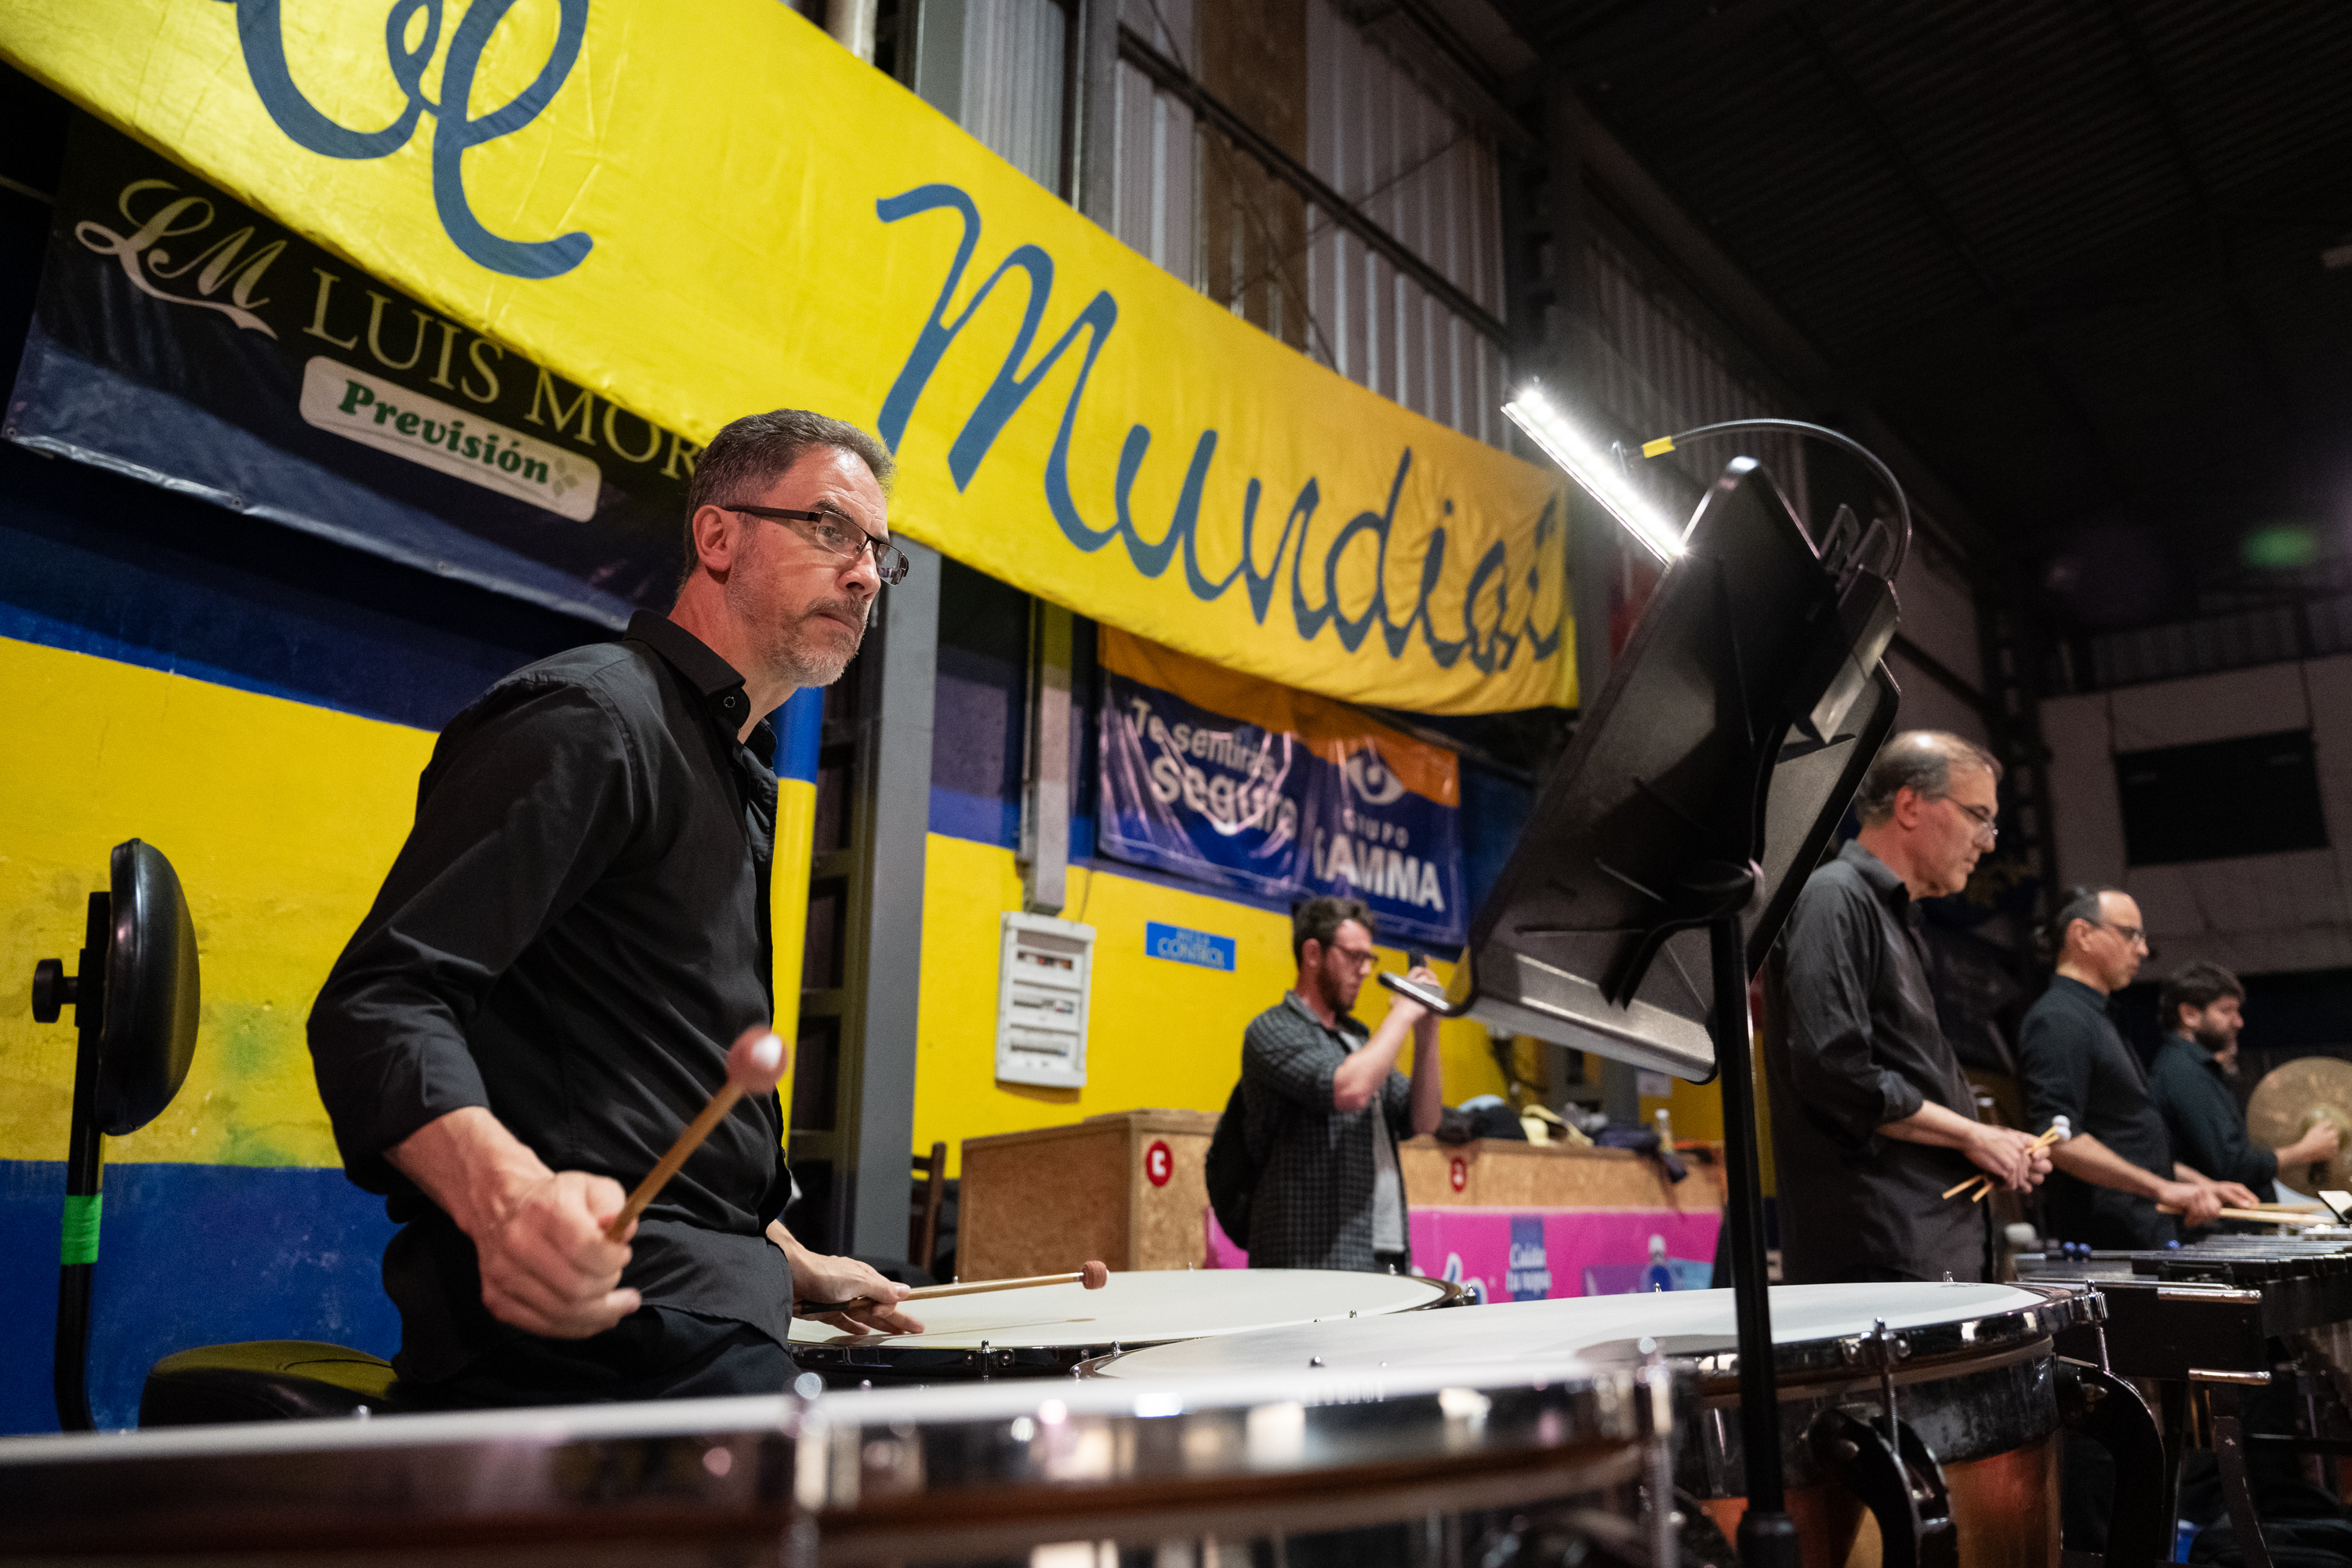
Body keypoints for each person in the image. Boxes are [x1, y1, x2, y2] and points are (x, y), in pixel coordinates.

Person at [309, 409, 922, 1408]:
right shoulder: (595, 719)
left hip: (704, 1312)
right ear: (717, 537)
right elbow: (381, 1002)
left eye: (877, 553)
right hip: (595, 1342)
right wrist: (509, 1203)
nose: (863, 574)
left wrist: (790, 1259)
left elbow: (637, 1093)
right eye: (829, 527)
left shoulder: (726, 764)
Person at [1764, 731, 2051, 1284]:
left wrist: (1993, 1145)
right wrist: (1972, 1135)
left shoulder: (1900, 922)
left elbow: (1901, 1080)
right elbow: (1836, 1072)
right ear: (1910, 805)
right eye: (1978, 816)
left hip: (1923, 1248)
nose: (1988, 842)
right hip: (1880, 1257)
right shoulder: (1834, 898)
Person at [2019, 888, 2260, 1249]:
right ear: (2083, 934)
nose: (2143, 950)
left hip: (2143, 1229)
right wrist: (2162, 1188)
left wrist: (2196, 1184)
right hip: (2109, 1241)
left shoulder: (2096, 1017)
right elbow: (2058, 1140)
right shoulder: (2058, 1019)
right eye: (2131, 934)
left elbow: (2127, 1142)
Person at [1241, 897, 1443, 1272]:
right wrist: (1402, 1013)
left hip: (1383, 1251)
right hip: (1310, 1259)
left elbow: (1425, 1120)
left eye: (1370, 959)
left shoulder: (1360, 1042)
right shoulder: (1272, 1029)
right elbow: (1350, 1089)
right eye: (1354, 957)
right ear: (1313, 953)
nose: (1365, 970)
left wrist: (1427, 1030)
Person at [2151, 961, 2339, 1201]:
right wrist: (2302, 1152)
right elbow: (2230, 1166)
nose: (2239, 1022)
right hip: (2215, 1226)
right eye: (2226, 1011)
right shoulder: (2183, 1072)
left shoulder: (2194, 1069)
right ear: (2189, 1015)